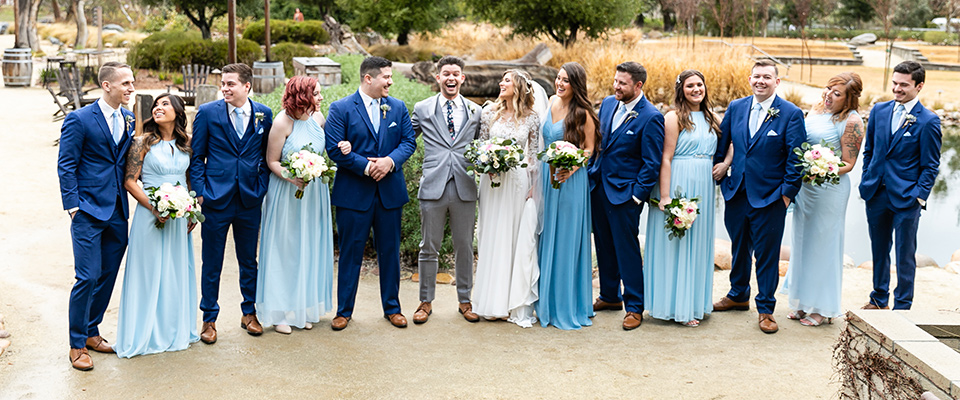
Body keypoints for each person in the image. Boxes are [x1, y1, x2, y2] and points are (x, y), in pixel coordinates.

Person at [324, 56, 417, 330]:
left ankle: (393, 308)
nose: (390, 81)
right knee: (350, 254)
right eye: (386, 77)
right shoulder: (340, 108)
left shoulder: (397, 107)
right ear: (369, 78)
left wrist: (389, 162)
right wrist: (366, 167)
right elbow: (333, 149)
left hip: (390, 193)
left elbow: (408, 142)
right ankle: (344, 311)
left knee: (390, 252)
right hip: (354, 194)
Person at [713, 59, 805, 334]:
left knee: (767, 255)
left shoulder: (790, 113)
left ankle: (765, 308)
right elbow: (723, 144)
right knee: (739, 248)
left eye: (767, 77)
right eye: (756, 76)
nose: (760, 81)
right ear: (750, 79)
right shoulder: (736, 107)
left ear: (777, 82)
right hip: (737, 192)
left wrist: (786, 195)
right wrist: (724, 170)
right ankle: (738, 294)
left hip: (771, 197)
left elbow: (796, 160)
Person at [58, 61, 136, 370]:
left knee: (107, 275)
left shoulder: (129, 118)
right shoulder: (79, 119)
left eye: (131, 83)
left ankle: (92, 331)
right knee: (87, 276)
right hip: (88, 209)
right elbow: (66, 163)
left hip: (118, 209)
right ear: (107, 86)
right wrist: (74, 206)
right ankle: (77, 344)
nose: (131, 88)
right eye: (126, 83)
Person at [189, 63, 274, 344]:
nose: (224, 88)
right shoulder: (207, 113)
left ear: (246, 86)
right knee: (212, 262)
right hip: (216, 199)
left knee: (249, 260)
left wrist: (261, 187)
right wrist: (200, 192)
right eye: (222, 83)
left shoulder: (264, 114)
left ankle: (249, 312)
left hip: (249, 198)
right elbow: (196, 157)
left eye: (230, 84)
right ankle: (209, 319)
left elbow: (265, 155)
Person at [257, 76, 349, 334]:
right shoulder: (281, 122)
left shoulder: (318, 120)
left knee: (308, 247)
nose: (321, 98)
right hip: (287, 193)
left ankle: (301, 308)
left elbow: (327, 150)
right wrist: (292, 176)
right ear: (302, 96)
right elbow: (272, 160)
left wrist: (343, 147)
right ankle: (280, 313)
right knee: (285, 250)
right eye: (317, 94)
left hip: (314, 194)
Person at [115, 93, 199, 357]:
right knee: (148, 272)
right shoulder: (142, 142)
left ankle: (175, 328)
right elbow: (130, 181)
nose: (158, 108)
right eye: (156, 105)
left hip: (178, 217)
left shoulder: (187, 144)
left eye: (165, 104)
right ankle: (145, 333)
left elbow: (188, 181)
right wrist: (154, 207)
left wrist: (191, 210)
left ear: (178, 111)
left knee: (175, 272)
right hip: (150, 216)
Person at [781, 72, 865, 326]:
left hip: (830, 189)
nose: (829, 95)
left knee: (824, 245)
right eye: (828, 89)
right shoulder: (816, 110)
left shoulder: (853, 121)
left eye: (837, 93)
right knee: (803, 242)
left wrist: (821, 168)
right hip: (806, 189)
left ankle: (823, 308)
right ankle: (801, 302)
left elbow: (848, 164)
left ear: (849, 99)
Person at [860, 61, 942, 311]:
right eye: (895, 83)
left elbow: (930, 166)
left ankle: (902, 306)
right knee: (879, 249)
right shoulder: (879, 111)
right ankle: (878, 299)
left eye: (904, 85)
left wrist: (919, 196)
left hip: (907, 198)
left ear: (919, 86)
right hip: (876, 193)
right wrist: (866, 178)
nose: (897, 89)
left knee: (905, 255)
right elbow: (870, 151)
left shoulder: (928, 121)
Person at [589, 61, 664, 331]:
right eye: (615, 81)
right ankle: (609, 296)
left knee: (627, 250)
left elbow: (651, 163)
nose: (616, 86)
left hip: (625, 195)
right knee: (604, 245)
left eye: (622, 83)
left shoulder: (651, 117)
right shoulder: (609, 103)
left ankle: (634, 306)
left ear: (638, 85)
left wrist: (637, 196)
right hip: (599, 188)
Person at [644, 69, 720, 328]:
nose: (696, 89)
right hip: (679, 181)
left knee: (698, 243)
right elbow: (665, 157)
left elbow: (728, 148)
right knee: (677, 244)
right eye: (690, 86)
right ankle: (676, 306)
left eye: (700, 84)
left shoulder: (712, 118)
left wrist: (727, 163)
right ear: (681, 90)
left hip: (704, 186)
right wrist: (665, 196)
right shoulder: (673, 117)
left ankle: (695, 303)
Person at [410, 56, 483, 324]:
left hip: (464, 186)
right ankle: (425, 302)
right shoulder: (422, 108)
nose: (451, 78)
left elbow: (484, 147)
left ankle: (465, 300)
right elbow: (405, 140)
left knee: (464, 246)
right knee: (429, 246)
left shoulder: (476, 111)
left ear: (462, 78)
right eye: (445, 73)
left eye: (456, 73)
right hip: (433, 186)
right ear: (437, 77)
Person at [472, 69, 541, 326]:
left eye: (507, 80)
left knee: (513, 237)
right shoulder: (489, 113)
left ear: (519, 86)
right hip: (492, 183)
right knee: (491, 235)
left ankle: (511, 303)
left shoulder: (532, 118)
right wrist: (486, 167)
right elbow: (481, 146)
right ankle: (490, 301)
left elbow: (533, 155)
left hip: (517, 182)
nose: (501, 83)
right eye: (502, 80)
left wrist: (534, 187)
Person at [537, 62, 598, 330]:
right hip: (545, 177)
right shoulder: (550, 101)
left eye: (565, 81)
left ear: (576, 84)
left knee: (566, 239)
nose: (559, 84)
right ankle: (544, 300)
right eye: (558, 78)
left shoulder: (583, 113)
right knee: (545, 234)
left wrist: (571, 168)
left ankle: (566, 304)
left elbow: (589, 150)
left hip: (570, 181)